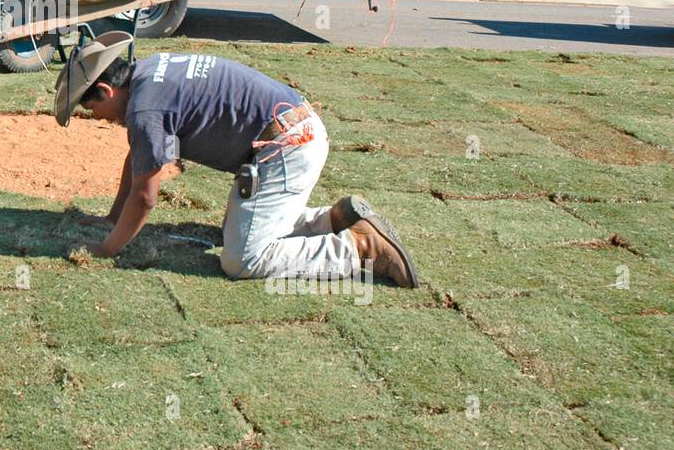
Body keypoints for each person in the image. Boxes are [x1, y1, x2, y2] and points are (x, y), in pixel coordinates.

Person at [53, 32, 419, 286]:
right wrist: (112, 219)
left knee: (242, 260)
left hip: (287, 147)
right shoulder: (150, 72)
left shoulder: (145, 109)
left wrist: (106, 249)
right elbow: (140, 160)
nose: (97, 118)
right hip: (294, 130)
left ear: (105, 89)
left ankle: (360, 247)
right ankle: (331, 221)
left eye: (91, 108)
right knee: (237, 235)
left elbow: (146, 197)